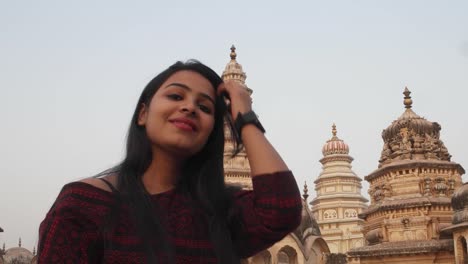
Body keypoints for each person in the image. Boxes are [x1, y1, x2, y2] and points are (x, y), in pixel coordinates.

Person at [38, 60, 302, 263]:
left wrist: (244, 116)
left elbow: (282, 210)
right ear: (143, 113)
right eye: (176, 96)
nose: (189, 108)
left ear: (212, 130)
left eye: (205, 107)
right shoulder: (84, 206)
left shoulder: (219, 211)